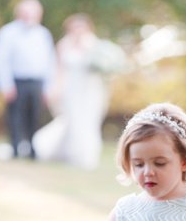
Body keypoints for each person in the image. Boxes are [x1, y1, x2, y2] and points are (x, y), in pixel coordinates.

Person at [35, 14, 125, 170]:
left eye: (80, 27)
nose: (77, 30)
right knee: (72, 121)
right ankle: (69, 154)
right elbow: (59, 70)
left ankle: (86, 156)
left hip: (91, 90)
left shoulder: (95, 45)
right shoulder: (64, 44)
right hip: (71, 90)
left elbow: (106, 68)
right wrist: (54, 90)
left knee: (89, 121)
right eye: (74, 27)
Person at [0, 0, 56, 159]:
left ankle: (33, 149)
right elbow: (1, 60)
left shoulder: (43, 34)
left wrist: (48, 87)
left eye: (33, 12)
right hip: (16, 81)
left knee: (34, 116)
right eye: (26, 11)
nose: (29, 15)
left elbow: (49, 62)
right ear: (18, 13)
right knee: (15, 116)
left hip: (37, 82)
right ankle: (14, 148)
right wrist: (5, 85)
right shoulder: (7, 32)